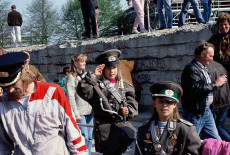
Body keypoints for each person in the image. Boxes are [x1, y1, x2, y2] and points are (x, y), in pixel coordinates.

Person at [0, 52, 88, 154]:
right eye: (5, 87)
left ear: (26, 74)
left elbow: (73, 133)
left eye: (14, 85)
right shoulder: (3, 103)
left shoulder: (53, 93)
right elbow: (2, 146)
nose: (9, 91)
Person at [77, 49, 138, 155]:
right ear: (103, 70)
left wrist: (128, 111)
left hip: (121, 129)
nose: (112, 71)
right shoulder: (96, 86)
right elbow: (82, 90)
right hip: (105, 130)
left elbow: (133, 104)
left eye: (114, 67)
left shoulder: (125, 85)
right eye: (108, 68)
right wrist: (93, 76)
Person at [135, 81, 201, 155]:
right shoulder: (143, 129)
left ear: (175, 104)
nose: (164, 105)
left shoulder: (186, 130)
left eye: (168, 102)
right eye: (160, 101)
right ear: (154, 103)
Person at [181, 41, 227, 140]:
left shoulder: (202, 68)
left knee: (216, 141)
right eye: (210, 56)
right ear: (202, 55)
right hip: (194, 113)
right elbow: (196, 89)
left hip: (206, 111)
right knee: (190, 142)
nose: (212, 59)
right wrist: (216, 84)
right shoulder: (192, 69)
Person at [66, 54, 93, 154]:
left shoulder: (87, 75)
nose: (84, 63)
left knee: (90, 137)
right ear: (75, 63)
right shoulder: (71, 77)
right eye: (82, 61)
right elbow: (70, 96)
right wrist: (75, 113)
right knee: (84, 136)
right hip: (80, 111)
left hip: (90, 110)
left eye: (85, 61)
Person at [207, 60, 230, 142]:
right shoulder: (220, 66)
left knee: (216, 127)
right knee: (220, 126)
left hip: (216, 102)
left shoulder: (205, 68)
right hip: (225, 101)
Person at [208, 12, 230, 84]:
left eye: (225, 24)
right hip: (218, 70)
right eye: (221, 25)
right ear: (218, 25)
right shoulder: (214, 38)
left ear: (229, 25)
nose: (223, 27)